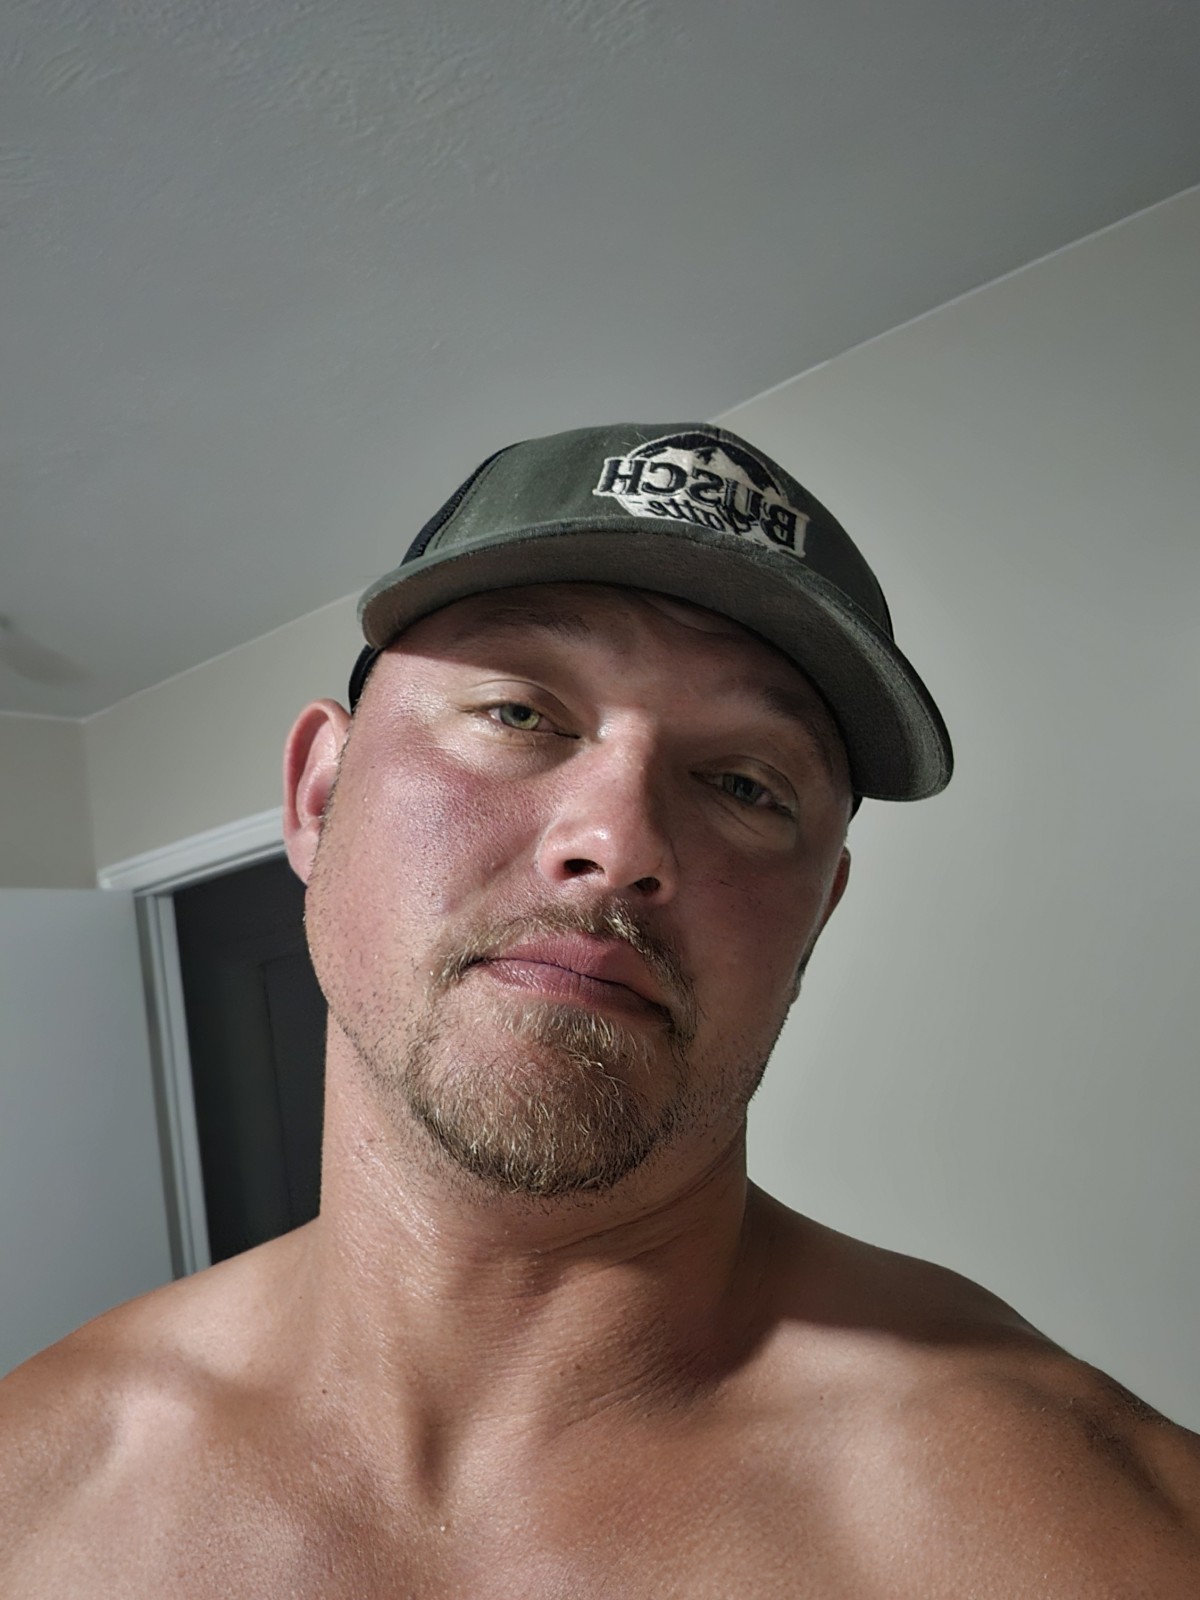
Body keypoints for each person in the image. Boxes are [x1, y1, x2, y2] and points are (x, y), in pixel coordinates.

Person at [1, 422, 1197, 1597]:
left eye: (745, 784)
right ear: (319, 795)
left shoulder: (1098, 1538)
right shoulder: (33, 1485)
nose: (619, 842)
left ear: (817, 918)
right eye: (520, 713)